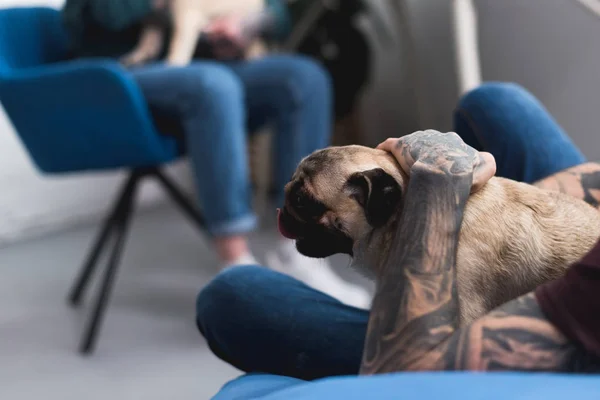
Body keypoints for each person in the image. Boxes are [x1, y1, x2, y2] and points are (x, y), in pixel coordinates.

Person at [197, 82, 600, 380]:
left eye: (308, 202)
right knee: (494, 103)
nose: (290, 209)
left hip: (542, 332)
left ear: (379, 198)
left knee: (234, 295)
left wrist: (439, 186)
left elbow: (418, 374)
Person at [61, 0, 371, 308]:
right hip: (120, 71)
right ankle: (235, 262)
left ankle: (296, 247)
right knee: (214, 86)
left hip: (206, 64)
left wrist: (244, 22)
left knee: (305, 78)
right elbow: (106, 13)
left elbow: (276, 13)